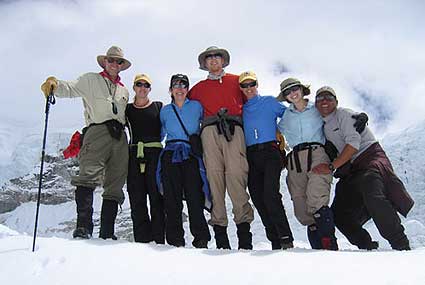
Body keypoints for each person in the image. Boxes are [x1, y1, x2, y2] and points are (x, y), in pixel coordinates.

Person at [40, 46, 131, 240]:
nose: (115, 64)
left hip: (120, 136)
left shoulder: (124, 90)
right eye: (111, 60)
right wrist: (54, 84)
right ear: (105, 62)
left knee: (115, 183)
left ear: (122, 66)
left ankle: (107, 232)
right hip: (97, 131)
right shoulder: (91, 79)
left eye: (118, 61)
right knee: (87, 176)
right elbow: (71, 88)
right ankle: (83, 227)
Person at [313, 86, 414, 250]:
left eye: (329, 97)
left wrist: (332, 166)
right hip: (352, 169)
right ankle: (366, 245)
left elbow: (353, 145)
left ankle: (401, 244)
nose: (324, 101)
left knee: (373, 195)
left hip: (370, 158)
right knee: (338, 213)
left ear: (336, 102)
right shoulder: (322, 125)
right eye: (320, 98)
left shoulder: (344, 114)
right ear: (316, 105)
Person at [188, 46, 254, 250]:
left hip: (234, 129)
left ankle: (244, 239)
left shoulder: (237, 81)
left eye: (217, 56)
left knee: (236, 175)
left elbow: (252, 103)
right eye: (209, 57)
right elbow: (186, 109)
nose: (214, 60)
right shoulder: (197, 89)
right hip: (208, 132)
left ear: (224, 60)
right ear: (204, 63)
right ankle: (221, 240)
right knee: (214, 180)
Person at [277, 78, 338, 250]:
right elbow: (276, 131)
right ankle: (317, 250)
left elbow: (336, 115)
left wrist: (357, 117)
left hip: (318, 153)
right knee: (302, 208)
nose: (293, 93)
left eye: (295, 88)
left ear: (302, 90)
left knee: (317, 199)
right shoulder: (286, 116)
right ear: (285, 97)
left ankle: (329, 247)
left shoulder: (317, 109)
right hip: (295, 159)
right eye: (288, 92)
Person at [239, 71, 294, 250]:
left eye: (251, 84)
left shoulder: (269, 102)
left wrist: (282, 134)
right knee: (257, 196)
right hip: (251, 154)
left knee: (270, 194)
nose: (249, 88)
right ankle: (275, 241)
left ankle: (285, 237)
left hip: (271, 151)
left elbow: (292, 114)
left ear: (257, 84)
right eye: (244, 85)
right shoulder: (241, 109)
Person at [156, 74, 211, 248]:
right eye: (176, 85)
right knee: (172, 199)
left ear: (188, 89)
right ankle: (175, 240)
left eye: (183, 85)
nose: (180, 88)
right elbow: (160, 134)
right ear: (170, 90)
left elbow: (206, 124)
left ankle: (201, 239)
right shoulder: (164, 111)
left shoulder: (197, 106)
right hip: (171, 153)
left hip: (190, 154)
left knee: (195, 196)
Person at [126, 73, 165, 244]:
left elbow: (165, 129)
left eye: (146, 85)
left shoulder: (158, 107)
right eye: (139, 84)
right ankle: (142, 241)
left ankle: (158, 240)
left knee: (157, 198)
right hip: (134, 155)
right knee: (137, 197)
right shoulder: (127, 110)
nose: (142, 88)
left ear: (149, 89)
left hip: (155, 155)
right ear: (134, 87)